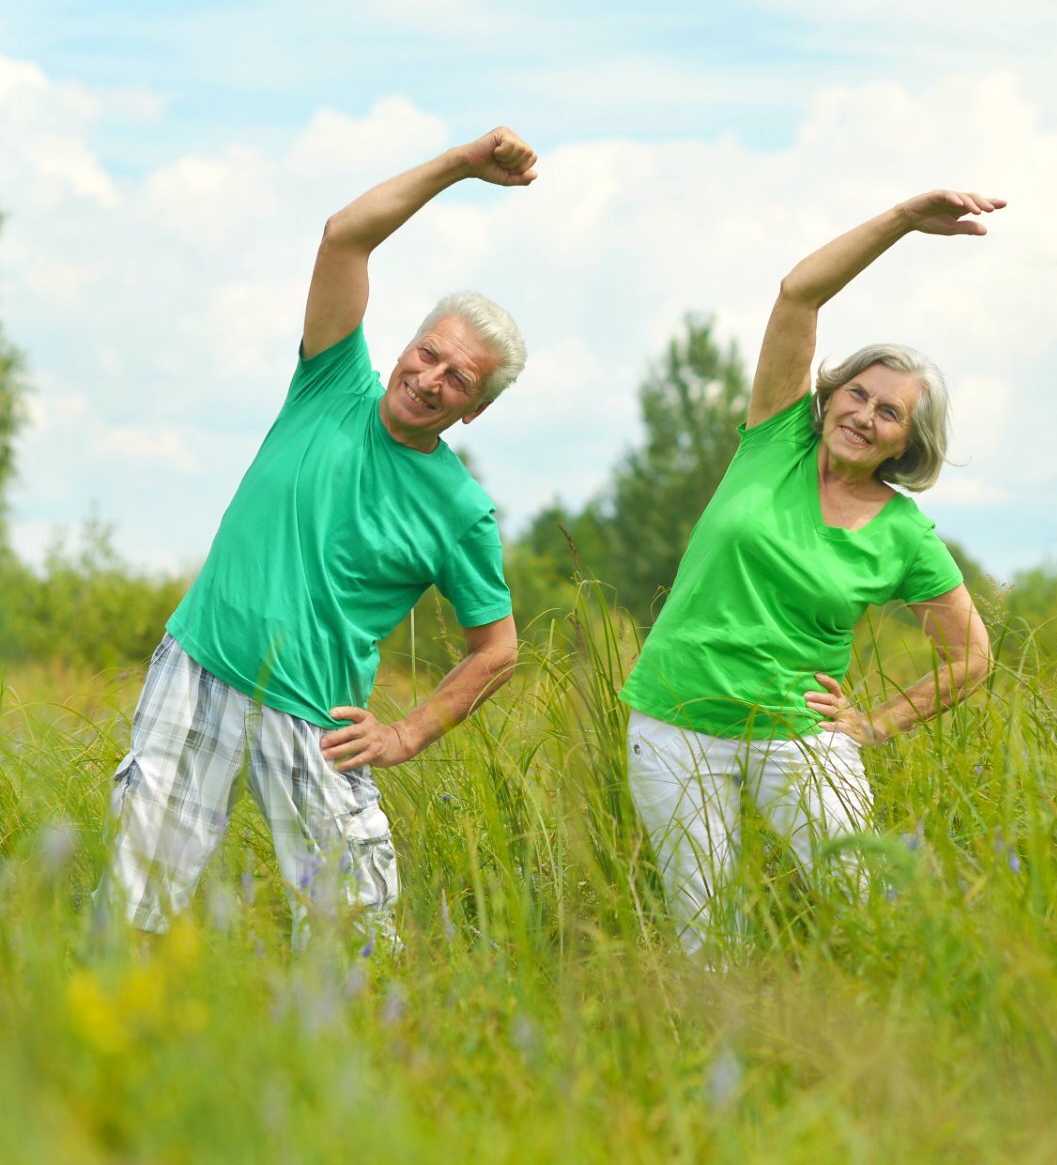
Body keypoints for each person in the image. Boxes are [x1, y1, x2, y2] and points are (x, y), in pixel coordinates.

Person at [97, 127, 538, 947]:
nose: (431, 378)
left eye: (459, 380)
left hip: (319, 722)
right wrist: (459, 165)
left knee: (356, 940)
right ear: (407, 344)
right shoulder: (331, 380)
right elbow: (345, 235)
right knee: (135, 908)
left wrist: (407, 733)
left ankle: (338, 1066)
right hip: (200, 668)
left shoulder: (459, 509)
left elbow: (499, 649)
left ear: (475, 407)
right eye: (429, 353)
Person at [619, 189, 1004, 955]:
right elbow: (800, 291)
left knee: (864, 908)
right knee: (706, 933)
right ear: (828, 398)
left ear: (906, 443)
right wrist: (901, 220)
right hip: (672, 724)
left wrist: (875, 724)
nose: (865, 414)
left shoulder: (905, 535)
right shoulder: (776, 441)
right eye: (856, 393)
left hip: (801, 737)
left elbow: (972, 656)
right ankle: (719, 1056)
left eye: (889, 412)